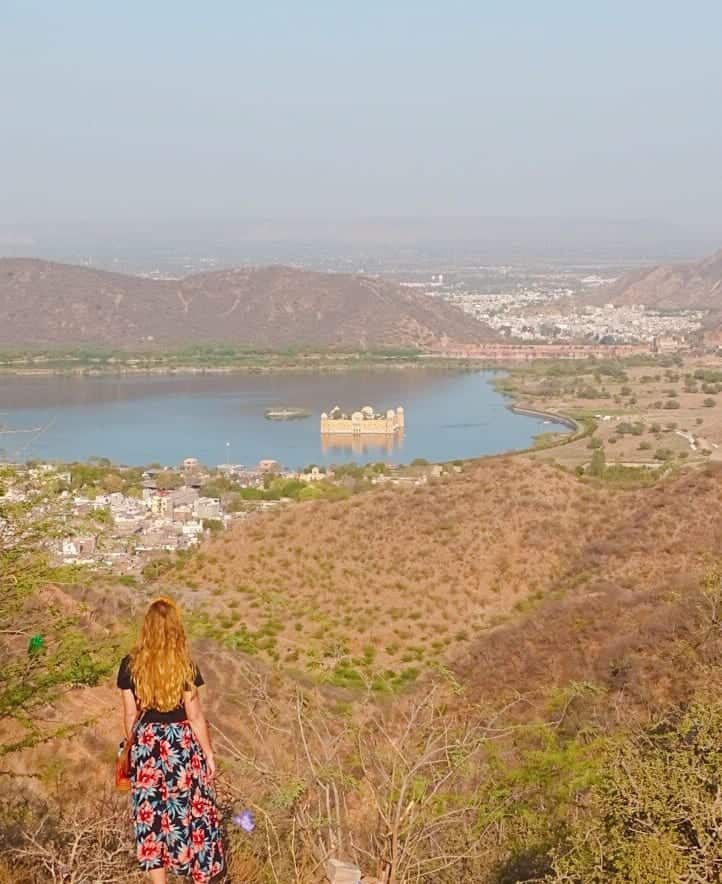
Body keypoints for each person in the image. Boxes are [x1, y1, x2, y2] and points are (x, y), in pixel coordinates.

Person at [117, 596, 224, 883]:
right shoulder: (185, 665)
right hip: (182, 746)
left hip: (147, 746)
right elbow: (195, 716)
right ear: (176, 629)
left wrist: (137, 748)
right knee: (191, 812)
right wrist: (209, 754)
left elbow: (130, 716)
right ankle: (196, 873)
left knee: (151, 817)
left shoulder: (130, 665)